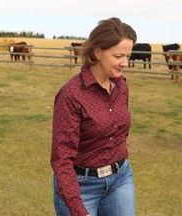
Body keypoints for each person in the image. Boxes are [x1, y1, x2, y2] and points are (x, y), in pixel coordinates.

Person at [50, 17, 137, 216]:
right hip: (81, 187)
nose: (125, 63)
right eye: (118, 56)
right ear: (98, 52)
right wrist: (77, 208)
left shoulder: (121, 85)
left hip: (120, 178)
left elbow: (120, 133)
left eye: (128, 56)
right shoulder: (71, 95)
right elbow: (62, 158)